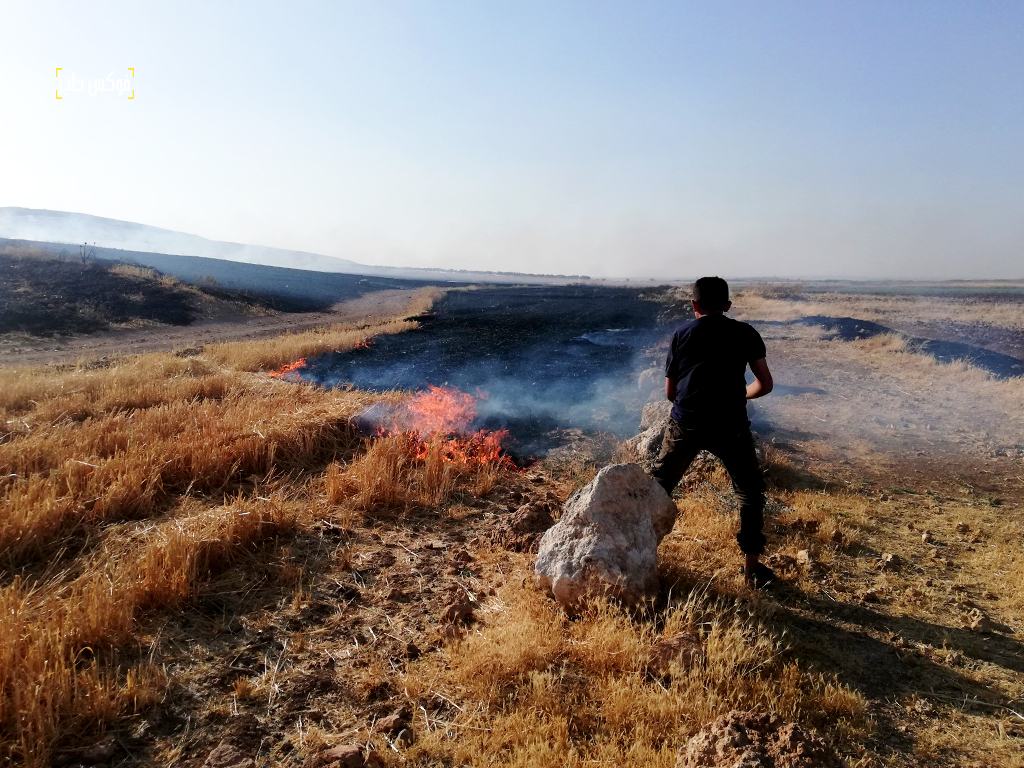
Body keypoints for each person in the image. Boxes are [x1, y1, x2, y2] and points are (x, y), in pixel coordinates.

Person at [650, 276, 776, 588]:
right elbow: (765, 384)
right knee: (749, 493)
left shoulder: (681, 334)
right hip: (730, 426)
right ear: (728, 306)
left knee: (658, 488)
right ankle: (751, 572)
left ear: (693, 305)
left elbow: (670, 393)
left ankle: (640, 556)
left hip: (686, 424)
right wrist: (739, 395)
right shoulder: (745, 333)